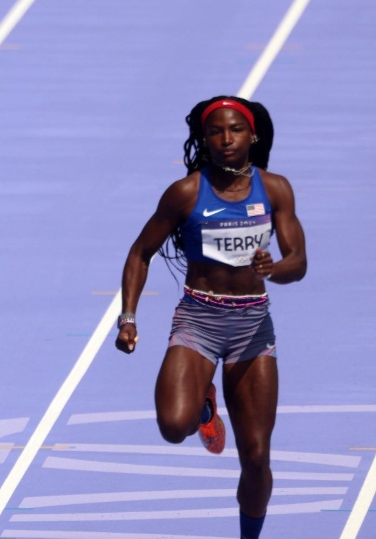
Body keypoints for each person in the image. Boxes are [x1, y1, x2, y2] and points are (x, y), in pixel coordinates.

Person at [115, 96, 306, 539]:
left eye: (235, 130)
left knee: (256, 456)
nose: (226, 140)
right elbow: (139, 252)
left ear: (252, 135)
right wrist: (128, 317)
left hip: (253, 328)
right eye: (216, 132)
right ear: (205, 138)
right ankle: (203, 405)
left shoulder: (275, 189)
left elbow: (299, 262)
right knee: (173, 427)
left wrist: (272, 269)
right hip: (199, 319)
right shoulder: (186, 192)